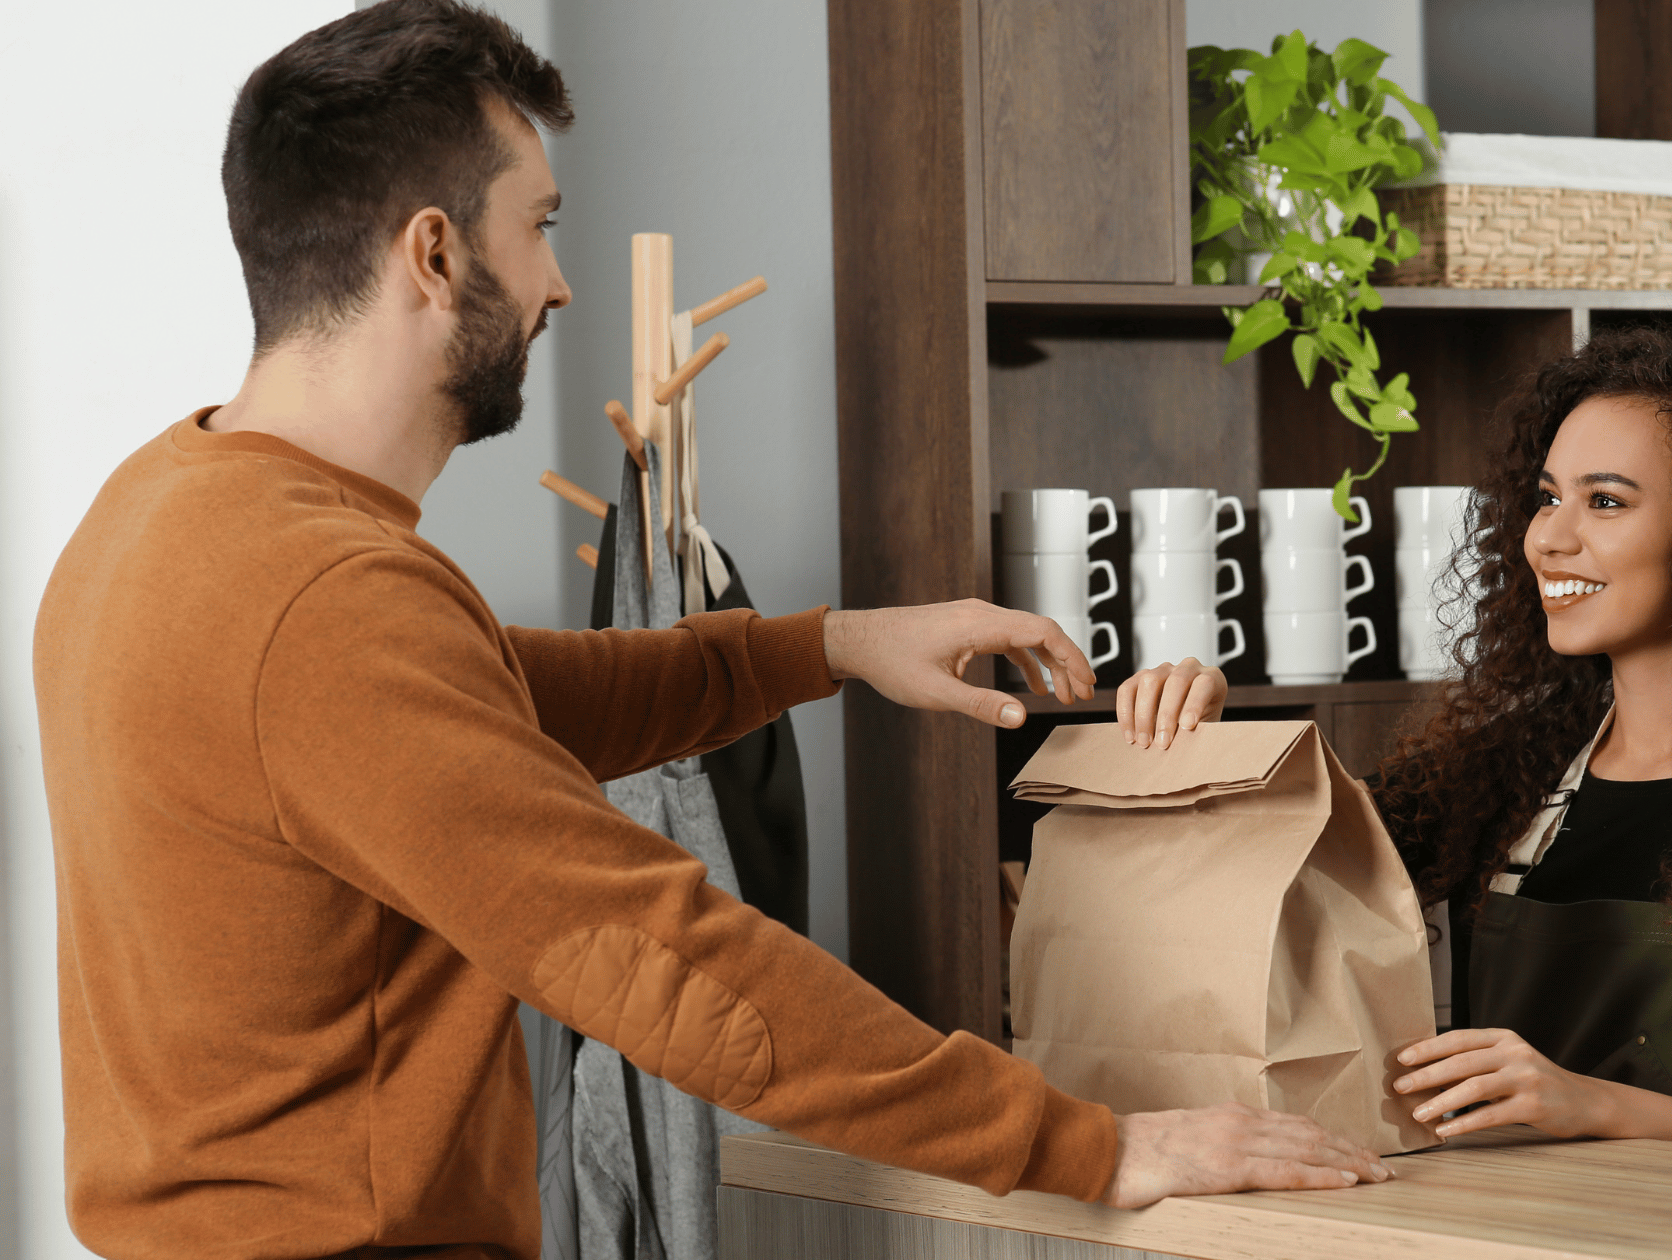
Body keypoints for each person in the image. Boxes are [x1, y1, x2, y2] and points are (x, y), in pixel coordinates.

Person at [31, 4, 1387, 1256]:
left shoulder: (162, 514)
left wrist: (827, 646)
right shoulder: (326, 603)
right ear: (434, 254)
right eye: (539, 226)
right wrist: (1085, 1145)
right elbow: (658, 956)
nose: (559, 287)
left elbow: (491, 699)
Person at [1118, 329, 1672, 1159]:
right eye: (1548, 497)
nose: (1547, 537)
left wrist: (1590, 1103)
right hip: (1505, 1225)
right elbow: (1261, 886)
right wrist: (1208, 742)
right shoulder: (1496, 776)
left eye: (1606, 502)